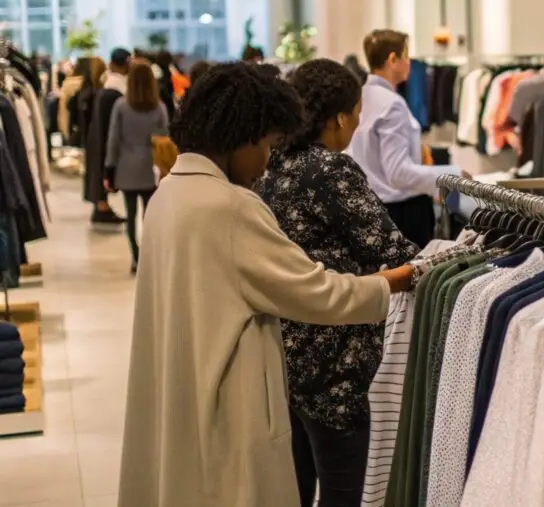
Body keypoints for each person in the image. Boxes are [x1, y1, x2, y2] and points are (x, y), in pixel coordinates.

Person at [117, 63, 416, 507]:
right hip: (229, 405)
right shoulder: (230, 207)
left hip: (183, 392)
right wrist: (394, 281)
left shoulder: (169, 195)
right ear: (242, 135)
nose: (266, 161)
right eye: (267, 144)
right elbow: (317, 292)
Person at [256, 59, 419, 507]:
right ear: (340, 117)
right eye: (357, 110)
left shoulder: (276, 165)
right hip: (335, 362)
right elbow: (392, 251)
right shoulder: (330, 170)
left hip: (288, 350)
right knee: (343, 492)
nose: (360, 120)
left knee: (299, 484)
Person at [346, 29, 464, 248]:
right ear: (393, 59)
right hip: (402, 213)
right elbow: (398, 172)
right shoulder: (392, 104)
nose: (409, 62)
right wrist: (452, 175)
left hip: (374, 207)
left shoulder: (360, 96)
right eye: (406, 55)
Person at [104, 63, 169, 273]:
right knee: (150, 217)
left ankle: (136, 257)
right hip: (152, 168)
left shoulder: (121, 106)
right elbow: (165, 140)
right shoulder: (159, 107)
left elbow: (113, 140)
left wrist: (109, 169)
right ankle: (151, 256)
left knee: (130, 215)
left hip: (126, 167)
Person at [85, 49, 132, 224]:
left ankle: (101, 206)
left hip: (98, 135)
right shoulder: (117, 90)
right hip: (108, 136)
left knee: (99, 167)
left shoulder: (106, 86)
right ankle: (102, 207)